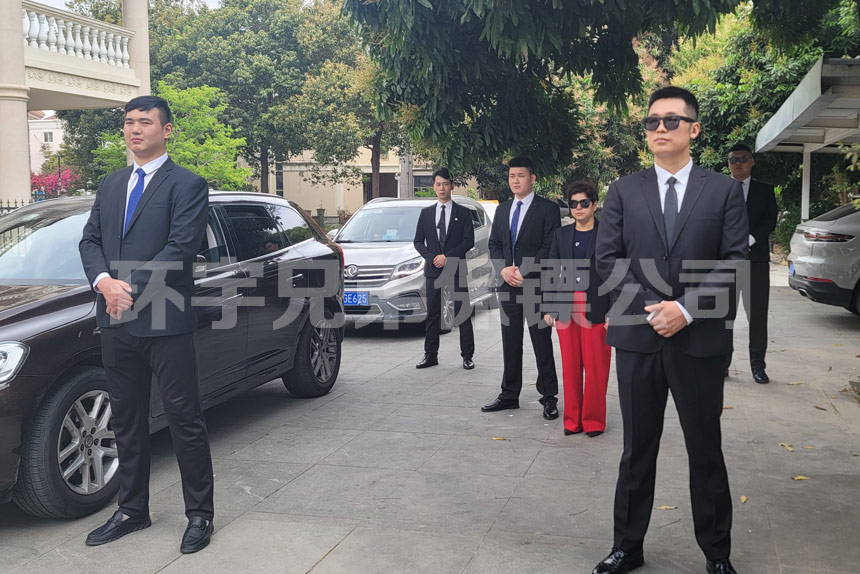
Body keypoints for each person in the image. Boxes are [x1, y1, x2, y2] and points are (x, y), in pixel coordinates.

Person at [593, 86, 748, 574]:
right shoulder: (623, 190)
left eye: (671, 120)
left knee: (705, 449)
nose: (660, 128)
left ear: (693, 129)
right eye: (652, 121)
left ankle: (717, 553)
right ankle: (627, 546)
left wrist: (684, 308)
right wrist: (654, 308)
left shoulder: (722, 190)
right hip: (638, 339)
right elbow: (607, 260)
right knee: (637, 449)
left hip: (699, 340)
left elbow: (735, 261)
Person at [79, 95, 214, 553]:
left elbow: (181, 247)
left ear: (167, 130)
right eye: (129, 122)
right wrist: (103, 282)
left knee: (183, 418)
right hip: (116, 319)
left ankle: (200, 514)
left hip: (165, 318)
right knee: (127, 420)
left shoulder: (187, 184)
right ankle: (132, 510)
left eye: (145, 122)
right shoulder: (111, 184)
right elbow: (90, 240)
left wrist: (127, 287)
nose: (134, 129)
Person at [483, 156, 560, 420]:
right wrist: (503, 269)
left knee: (541, 342)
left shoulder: (548, 209)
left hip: (535, 285)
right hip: (508, 285)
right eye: (512, 176)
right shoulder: (503, 210)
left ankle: (549, 397)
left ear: (532, 178)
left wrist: (523, 271)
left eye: (521, 175)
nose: (515, 181)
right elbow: (494, 244)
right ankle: (509, 394)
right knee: (510, 341)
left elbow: (549, 247)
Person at [542, 181, 611, 437]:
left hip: (597, 306)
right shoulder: (561, 235)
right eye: (573, 203)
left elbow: (617, 272)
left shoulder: (608, 234)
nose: (578, 207)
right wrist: (548, 307)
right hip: (565, 306)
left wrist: (614, 310)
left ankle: (593, 421)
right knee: (570, 366)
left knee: (596, 367)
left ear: (595, 205)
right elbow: (552, 270)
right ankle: (572, 420)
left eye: (584, 202)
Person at [724, 143, 778, 384]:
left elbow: (769, 220)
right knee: (724, 316)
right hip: (726, 262)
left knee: (757, 315)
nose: (738, 163)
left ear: (752, 161)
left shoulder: (765, 190)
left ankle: (758, 366)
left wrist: (750, 239)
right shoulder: (720, 189)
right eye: (733, 159)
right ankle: (722, 363)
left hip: (756, 262)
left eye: (743, 158)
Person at [413, 168, 476, 369]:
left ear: (452, 186)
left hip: (455, 268)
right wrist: (433, 258)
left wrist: (446, 257)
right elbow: (418, 242)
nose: (442, 188)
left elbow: (468, 241)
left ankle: (467, 356)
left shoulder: (463, 213)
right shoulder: (426, 214)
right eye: (438, 184)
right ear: (434, 187)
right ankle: (430, 355)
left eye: (445, 184)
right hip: (433, 270)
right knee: (433, 314)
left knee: (462, 313)